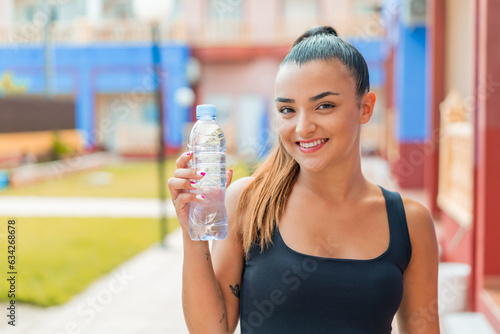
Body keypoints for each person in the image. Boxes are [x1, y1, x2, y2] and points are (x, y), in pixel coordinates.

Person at [168, 26, 440, 334]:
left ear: (365, 108)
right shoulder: (248, 202)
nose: (303, 127)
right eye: (287, 109)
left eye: (324, 105)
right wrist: (194, 234)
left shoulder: (410, 223)